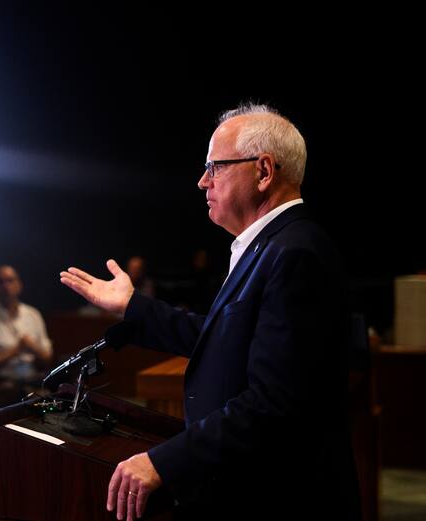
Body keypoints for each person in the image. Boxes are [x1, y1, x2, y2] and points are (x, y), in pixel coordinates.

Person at [60, 103, 360, 520]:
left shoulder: (296, 254)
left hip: (281, 499)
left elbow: (275, 403)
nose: (203, 181)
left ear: (264, 171)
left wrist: (165, 461)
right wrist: (132, 307)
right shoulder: (268, 246)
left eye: (215, 167)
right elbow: (221, 338)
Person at [0, 265, 52, 398]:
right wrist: (15, 351)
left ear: (19, 285)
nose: (6, 286)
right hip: (2, 383)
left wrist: (33, 348)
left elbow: (47, 357)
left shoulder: (33, 314)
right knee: (12, 392)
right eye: (0, 282)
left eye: (10, 281)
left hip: (32, 378)